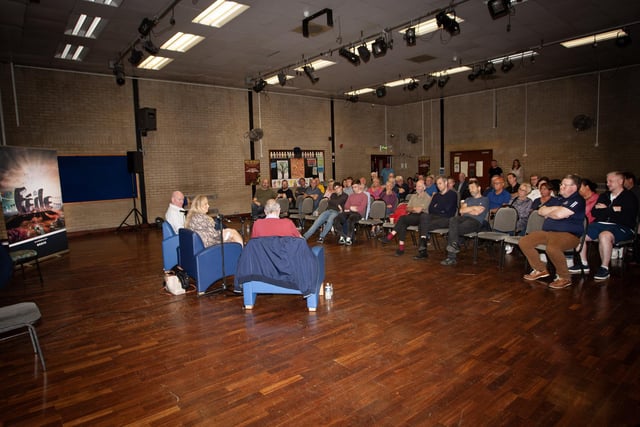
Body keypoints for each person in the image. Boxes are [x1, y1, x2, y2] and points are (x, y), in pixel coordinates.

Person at [519, 174, 585, 289]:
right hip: (549, 232)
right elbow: (541, 211)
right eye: (561, 184)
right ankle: (540, 269)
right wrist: (554, 211)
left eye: (565, 185)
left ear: (574, 187)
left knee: (552, 248)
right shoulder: (559, 199)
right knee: (524, 241)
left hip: (569, 235)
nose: (561, 186)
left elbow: (559, 214)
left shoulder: (578, 200)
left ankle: (564, 277)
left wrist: (552, 212)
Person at [570, 171, 639, 280]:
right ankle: (583, 263)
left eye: (610, 181)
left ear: (620, 181)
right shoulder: (604, 196)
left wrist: (606, 209)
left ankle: (604, 268)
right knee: (579, 231)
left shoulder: (630, 197)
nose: (607, 184)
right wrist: (614, 209)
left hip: (622, 226)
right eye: (607, 181)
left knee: (605, 235)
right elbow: (594, 212)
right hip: (600, 224)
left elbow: (626, 216)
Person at [441, 180, 489, 265]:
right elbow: (461, 211)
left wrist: (468, 210)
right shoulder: (468, 199)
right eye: (469, 188)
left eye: (473, 187)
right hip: (463, 218)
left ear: (479, 188)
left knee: (453, 230)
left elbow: (477, 213)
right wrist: (474, 208)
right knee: (453, 219)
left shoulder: (485, 199)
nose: (471, 190)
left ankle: (451, 257)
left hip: (476, 222)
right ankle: (455, 244)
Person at [380, 180, 431, 256]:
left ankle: (390, 236)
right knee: (402, 224)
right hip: (412, 216)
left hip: (421, 217)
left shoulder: (427, 197)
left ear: (424, 187)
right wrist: (414, 208)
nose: (417, 187)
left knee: (402, 218)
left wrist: (413, 208)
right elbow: (407, 208)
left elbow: (420, 210)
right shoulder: (413, 196)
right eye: (416, 186)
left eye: (419, 186)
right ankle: (401, 248)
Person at [414, 176, 459, 259]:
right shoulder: (436, 196)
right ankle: (423, 246)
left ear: (445, 183)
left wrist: (437, 207)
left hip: (447, 219)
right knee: (423, 216)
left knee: (422, 225)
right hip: (435, 217)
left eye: (440, 183)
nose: (438, 186)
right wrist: (440, 209)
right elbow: (431, 209)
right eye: (437, 184)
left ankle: (423, 250)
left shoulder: (452, 194)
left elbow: (448, 209)